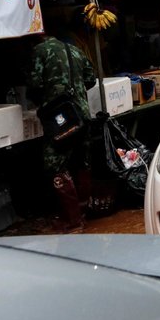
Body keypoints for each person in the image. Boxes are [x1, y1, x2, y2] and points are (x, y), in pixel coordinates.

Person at [26, 31, 97, 231]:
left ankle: (73, 219)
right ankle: (84, 210)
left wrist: (50, 95)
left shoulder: (39, 51)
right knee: (82, 160)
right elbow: (91, 79)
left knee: (53, 164)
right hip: (82, 113)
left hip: (61, 118)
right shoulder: (74, 49)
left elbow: (34, 85)